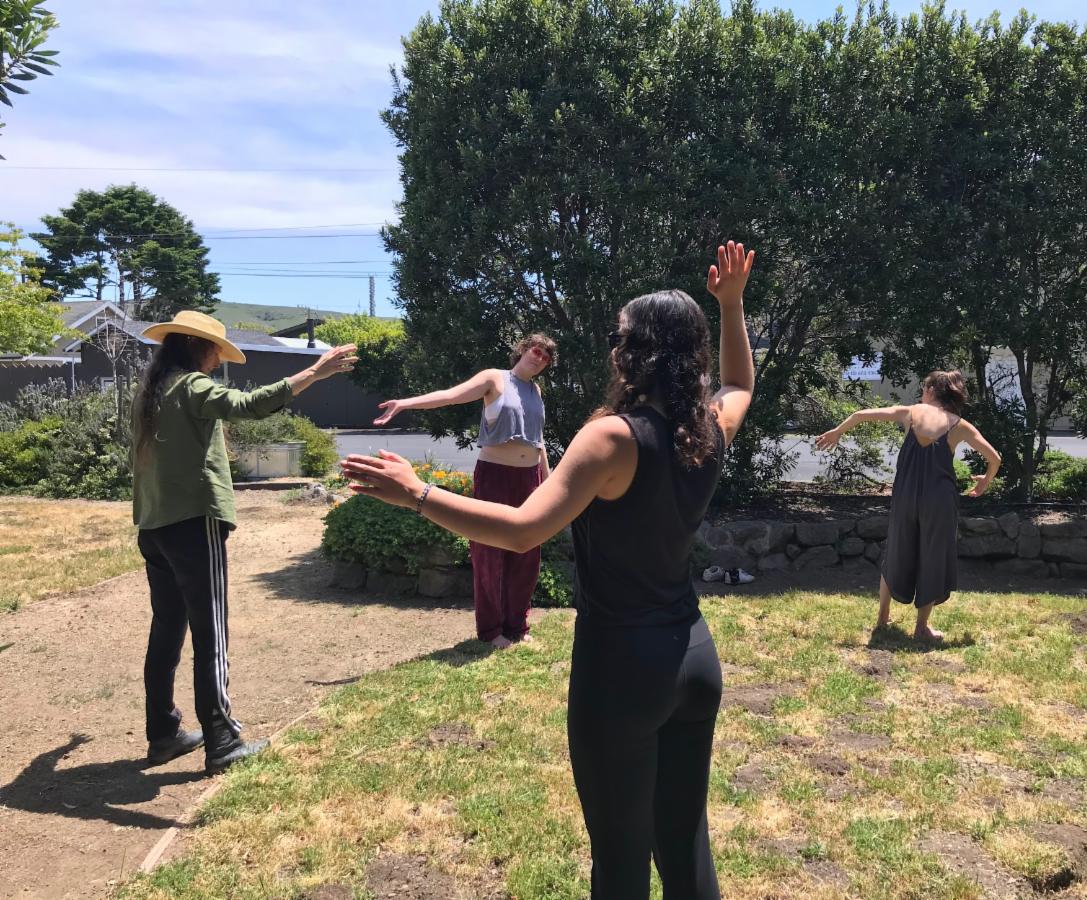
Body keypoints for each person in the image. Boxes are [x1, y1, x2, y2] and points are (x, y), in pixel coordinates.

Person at [342, 241, 756, 900]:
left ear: (640, 352)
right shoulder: (706, 429)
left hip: (621, 669)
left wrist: (418, 493)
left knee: (620, 861)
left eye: (619, 337)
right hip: (695, 658)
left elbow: (521, 529)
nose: (612, 350)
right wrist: (731, 306)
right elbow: (740, 384)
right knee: (685, 844)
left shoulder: (612, 438)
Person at [132, 311, 357, 774]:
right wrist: (315, 372)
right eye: (217, 351)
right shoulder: (193, 386)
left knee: (167, 629)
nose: (219, 360)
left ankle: (163, 734)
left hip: (153, 526)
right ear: (196, 346)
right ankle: (221, 741)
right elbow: (249, 405)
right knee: (210, 631)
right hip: (193, 523)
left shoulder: (151, 391)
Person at [373, 334, 556, 648]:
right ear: (524, 350)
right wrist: (405, 403)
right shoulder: (494, 378)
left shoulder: (535, 391)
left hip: (529, 479)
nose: (540, 359)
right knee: (489, 552)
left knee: (526, 553)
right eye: (537, 351)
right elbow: (450, 396)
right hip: (495, 475)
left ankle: (517, 626)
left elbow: (538, 443)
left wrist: (547, 482)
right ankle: (491, 630)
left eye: (547, 358)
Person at [815, 370, 1001, 641]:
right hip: (939, 501)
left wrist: (837, 432)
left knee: (896, 552)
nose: (922, 393)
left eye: (924, 388)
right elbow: (994, 458)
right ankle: (921, 627)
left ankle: (882, 618)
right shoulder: (960, 425)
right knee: (933, 557)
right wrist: (984, 481)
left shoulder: (910, 413)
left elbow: (860, 415)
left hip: (905, 496)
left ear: (932, 391)